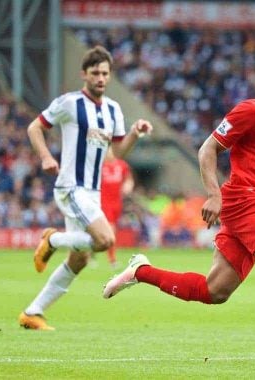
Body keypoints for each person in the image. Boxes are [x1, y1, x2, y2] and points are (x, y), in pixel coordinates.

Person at [103, 48, 255, 364]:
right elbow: (208, 149)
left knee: (214, 291)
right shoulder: (252, 111)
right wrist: (213, 193)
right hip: (244, 198)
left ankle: (141, 271)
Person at [19, 46, 153, 330]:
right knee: (105, 240)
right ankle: (53, 239)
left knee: (79, 259)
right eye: (95, 73)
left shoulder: (114, 110)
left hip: (92, 192)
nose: (101, 78)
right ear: (85, 74)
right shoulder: (69, 103)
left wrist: (134, 134)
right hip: (71, 186)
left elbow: (117, 153)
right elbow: (35, 127)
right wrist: (45, 157)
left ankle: (33, 312)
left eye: (105, 73)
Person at [100, 148, 134, 268]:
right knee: (111, 229)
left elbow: (129, 179)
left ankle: (90, 253)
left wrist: (128, 186)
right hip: (104, 202)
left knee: (107, 231)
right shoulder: (99, 166)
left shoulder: (122, 165)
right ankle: (112, 260)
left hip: (117, 203)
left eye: (108, 150)